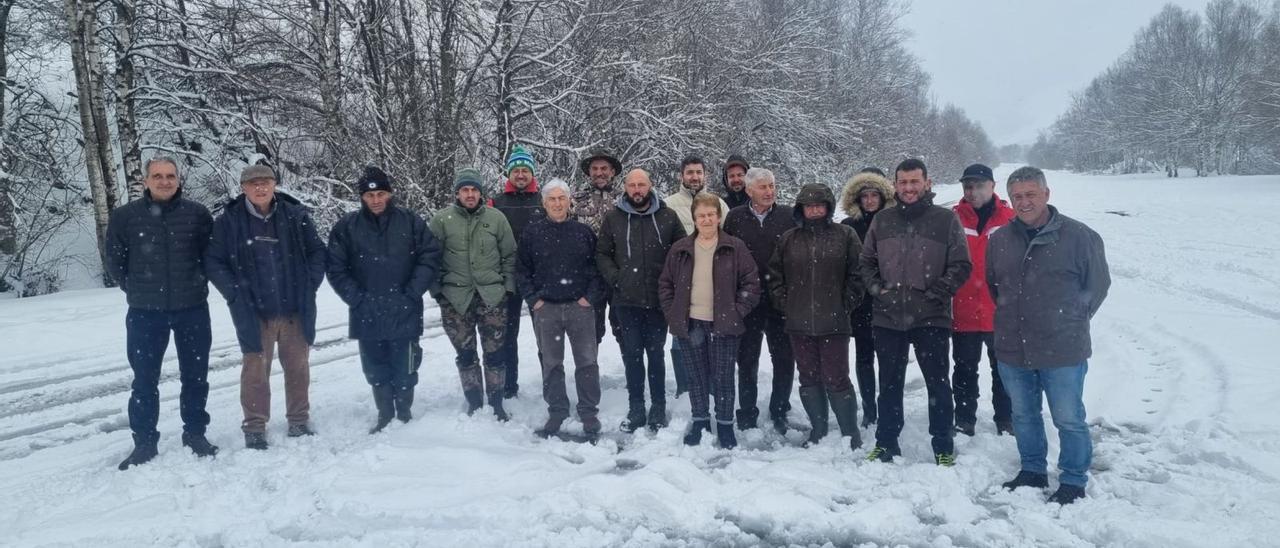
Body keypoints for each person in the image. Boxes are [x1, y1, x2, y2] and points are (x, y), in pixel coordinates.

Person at [987, 166, 1110, 505]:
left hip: (1063, 349)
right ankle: (1032, 470)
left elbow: (1097, 287)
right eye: (1017, 197)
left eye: (1031, 194)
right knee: (1024, 414)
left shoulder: (1080, 236)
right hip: (1013, 347)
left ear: (1046, 194)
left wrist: (1070, 320)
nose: (1024, 202)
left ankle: (1072, 479)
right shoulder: (999, 240)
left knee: (1068, 418)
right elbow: (994, 286)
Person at [106, 156, 218, 469]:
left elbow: (211, 257)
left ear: (179, 180)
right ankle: (144, 442)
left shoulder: (197, 215)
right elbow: (115, 261)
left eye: (170, 175)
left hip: (192, 309)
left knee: (195, 377)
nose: (165, 181)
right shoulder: (125, 217)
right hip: (145, 313)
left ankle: (195, 433)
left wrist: (197, 283)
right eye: (158, 176)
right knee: (144, 380)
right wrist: (136, 288)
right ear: (146, 181)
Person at [206, 164, 327, 450]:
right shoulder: (229, 222)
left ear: (275, 185)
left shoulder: (295, 216)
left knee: (298, 367)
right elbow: (213, 260)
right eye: (253, 183)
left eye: (266, 182)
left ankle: (298, 420)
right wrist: (234, 292)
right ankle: (255, 426)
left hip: (294, 310)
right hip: (253, 310)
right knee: (255, 370)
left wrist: (309, 284)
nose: (260, 188)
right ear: (243, 188)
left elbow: (317, 252)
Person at [859, 158, 972, 466]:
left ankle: (943, 446)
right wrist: (877, 291)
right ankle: (886, 443)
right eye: (903, 182)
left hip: (931, 318)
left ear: (927, 183)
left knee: (938, 384)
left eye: (914, 182)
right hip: (888, 317)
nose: (909, 188)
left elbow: (961, 265)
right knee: (890, 385)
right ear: (895, 185)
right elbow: (866, 262)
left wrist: (936, 294)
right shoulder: (882, 220)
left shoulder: (945, 220)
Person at [326, 166, 442, 434]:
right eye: (369, 195)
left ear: (389, 194)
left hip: (405, 307)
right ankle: (385, 413)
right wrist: (356, 298)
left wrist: (412, 291)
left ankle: (403, 411)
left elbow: (430, 256)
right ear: (362, 198)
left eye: (380, 193)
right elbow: (335, 267)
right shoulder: (347, 227)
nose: (376, 200)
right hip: (367, 311)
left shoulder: (410, 222)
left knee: (406, 366)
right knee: (375, 368)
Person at [767, 183, 864, 452]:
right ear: (801, 209)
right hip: (798, 323)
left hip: (834, 322)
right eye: (809, 206)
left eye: (820, 205)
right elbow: (775, 276)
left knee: (837, 377)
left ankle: (849, 432)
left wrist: (846, 303)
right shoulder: (789, 238)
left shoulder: (846, 235)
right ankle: (819, 429)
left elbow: (858, 273)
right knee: (808, 377)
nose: (814, 210)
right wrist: (786, 303)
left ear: (829, 207)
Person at [659, 193, 761, 449]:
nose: (706, 219)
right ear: (694, 218)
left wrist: (737, 311)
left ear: (719, 217)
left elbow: (751, 283)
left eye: (710, 215)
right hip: (691, 323)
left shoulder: (734, 247)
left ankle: (725, 425)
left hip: (724, 325)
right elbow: (665, 284)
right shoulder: (681, 248)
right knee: (696, 377)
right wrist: (673, 312)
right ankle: (701, 421)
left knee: (724, 377)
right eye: (701, 215)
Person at [597, 169, 686, 432]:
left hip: (658, 302)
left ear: (651, 185)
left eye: (642, 184)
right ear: (625, 187)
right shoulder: (613, 218)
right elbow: (602, 253)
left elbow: (681, 250)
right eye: (632, 185)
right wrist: (617, 278)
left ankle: (658, 406)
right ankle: (636, 406)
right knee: (633, 356)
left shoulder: (668, 216)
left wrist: (669, 281)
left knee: (656, 355)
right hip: (626, 301)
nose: (637, 189)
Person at [517, 179, 605, 438]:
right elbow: (522, 271)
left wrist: (589, 297)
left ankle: (588, 410)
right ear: (544, 203)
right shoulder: (532, 234)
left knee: (587, 361)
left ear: (569, 201)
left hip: (580, 307)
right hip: (547, 310)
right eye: (552, 199)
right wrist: (535, 301)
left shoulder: (583, 233)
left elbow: (597, 269)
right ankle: (557, 410)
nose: (557, 203)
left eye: (561, 198)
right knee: (552, 362)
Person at [430, 167, 518, 421]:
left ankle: (497, 401)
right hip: (455, 299)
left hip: (492, 297)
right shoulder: (441, 220)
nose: (470, 194)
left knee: (495, 353)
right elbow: (430, 258)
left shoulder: (496, 218)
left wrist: (507, 288)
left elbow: (509, 255)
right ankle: (474, 401)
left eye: (474, 190)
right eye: (465, 190)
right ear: (457, 193)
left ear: (481, 193)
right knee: (466, 354)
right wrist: (438, 291)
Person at [723, 167, 796, 434]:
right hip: (748, 301)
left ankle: (779, 410)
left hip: (780, 301)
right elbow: (727, 257)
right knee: (747, 360)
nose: (769, 191)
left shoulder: (789, 216)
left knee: (785, 359)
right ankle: (747, 411)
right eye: (763, 187)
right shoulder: (735, 218)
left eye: (772, 186)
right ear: (749, 190)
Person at [951, 163, 1015, 436]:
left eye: (979, 185)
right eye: (968, 186)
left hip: (999, 312)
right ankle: (965, 418)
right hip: (962, 311)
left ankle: (1006, 419)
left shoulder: (1011, 219)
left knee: (1004, 371)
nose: (973, 191)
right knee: (964, 370)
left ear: (992, 186)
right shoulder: (952, 218)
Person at [664, 156, 729, 397]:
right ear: (681, 176)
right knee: (682, 337)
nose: (694, 177)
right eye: (689, 172)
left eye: (698, 172)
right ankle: (685, 389)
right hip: (682, 283)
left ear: (705, 175)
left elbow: (729, 241)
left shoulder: (720, 204)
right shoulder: (668, 205)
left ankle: (712, 389)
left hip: (714, 284)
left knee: (713, 340)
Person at [838, 167, 895, 427]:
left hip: (889, 301)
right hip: (860, 303)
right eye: (865, 195)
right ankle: (869, 407)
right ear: (857, 199)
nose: (870, 200)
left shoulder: (894, 222)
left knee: (888, 358)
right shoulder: (848, 227)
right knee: (863, 358)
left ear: (883, 196)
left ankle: (888, 405)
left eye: (875, 194)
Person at [491, 144, 545, 399]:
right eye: (516, 171)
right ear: (509, 174)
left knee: (545, 337)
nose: (521, 175)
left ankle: (550, 384)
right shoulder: (496, 203)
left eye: (525, 170)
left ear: (532, 173)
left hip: (539, 279)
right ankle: (508, 386)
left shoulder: (544, 200)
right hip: (508, 279)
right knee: (507, 335)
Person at [571, 149, 624, 345]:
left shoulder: (625, 199)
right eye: (595, 168)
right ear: (588, 172)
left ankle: (632, 372)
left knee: (624, 329)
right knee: (590, 332)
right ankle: (589, 374)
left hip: (619, 272)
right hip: (588, 276)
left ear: (612, 172)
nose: (599, 172)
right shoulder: (576, 200)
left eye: (604, 168)